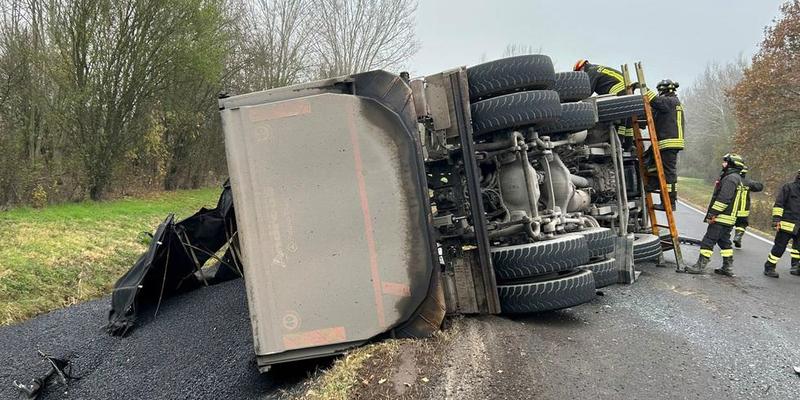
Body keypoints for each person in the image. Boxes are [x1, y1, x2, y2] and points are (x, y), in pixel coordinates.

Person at [685, 153, 747, 276]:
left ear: (732, 164)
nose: (722, 164)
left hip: (721, 217)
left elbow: (724, 198)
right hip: (729, 218)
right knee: (724, 242)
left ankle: (700, 266)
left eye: (725, 162)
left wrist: (712, 214)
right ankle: (727, 267)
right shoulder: (737, 178)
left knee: (708, 240)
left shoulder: (730, 179)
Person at [574, 59, 649, 151]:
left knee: (621, 122)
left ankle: (619, 145)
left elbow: (587, 91)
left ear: (582, 68)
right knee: (627, 123)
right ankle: (629, 146)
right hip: (628, 92)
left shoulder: (591, 72)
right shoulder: (599, 68)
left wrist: (575, 102)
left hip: (618, 94)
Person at [643, 79, 684, 210]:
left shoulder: (669, 101)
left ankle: (669, 203)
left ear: (663, 90)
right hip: (666, 142)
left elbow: (655, 101)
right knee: (648, 159)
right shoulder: (671, 103)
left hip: (668, 142)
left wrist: (643, 88)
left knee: (668, 173)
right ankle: (654, 182)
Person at [762, 169, 800, 278]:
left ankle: (796, 267)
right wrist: (776, 220)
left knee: (798, 248)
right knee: (779, 247)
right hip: (786, 224)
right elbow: (779, 204)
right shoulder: (788, 187)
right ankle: (769, 267)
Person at [732, 165, 764, 248]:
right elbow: (759, 187)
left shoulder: (732, 180)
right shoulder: (748, 182)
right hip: (743, 210)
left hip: (731, 209)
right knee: (742, 224)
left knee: (727, 224)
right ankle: (738, 236)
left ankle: (723, 238)